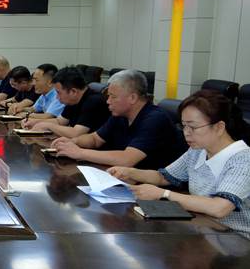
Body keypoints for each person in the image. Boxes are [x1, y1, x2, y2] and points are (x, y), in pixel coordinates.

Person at [108, 90, 250, 236]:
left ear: (219, 127)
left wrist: (164, 194)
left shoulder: (243, 159)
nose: (186, 133)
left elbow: (219, 208)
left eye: (193, 127)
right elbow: (164, 177)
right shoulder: (198, 150)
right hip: (205, 228)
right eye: (184, 126)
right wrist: (130, 172)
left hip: (238, 240)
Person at [52, 69, 186, 169]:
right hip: (127, 177)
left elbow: (127, 159)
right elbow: (95, 139)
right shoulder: (120, 114)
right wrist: (72, 142)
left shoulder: (155, 119)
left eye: (113, 96)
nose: (108, 101)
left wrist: (80, 153)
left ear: (132, 98)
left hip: (156, 186)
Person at [28, 66, 110, 137]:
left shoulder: (93, 101)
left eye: (58, 93)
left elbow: (76, 133)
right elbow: (60, 121)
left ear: (73, 91)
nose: (57, 97)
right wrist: (34, 122)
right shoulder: (73, 100)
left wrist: (48, 126)